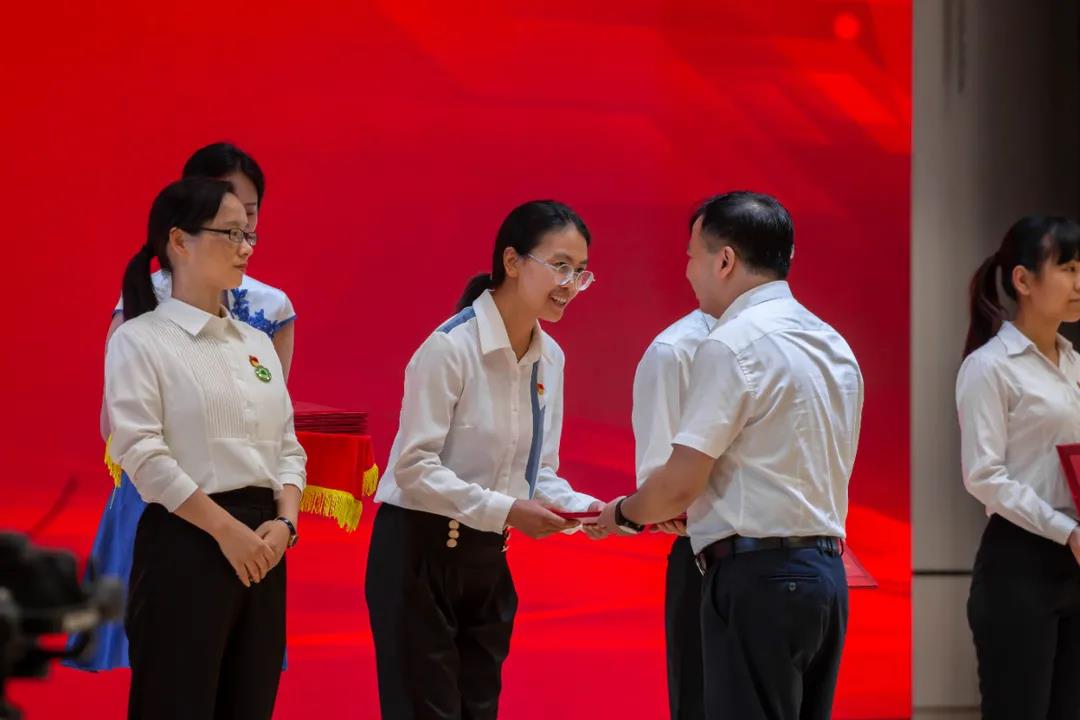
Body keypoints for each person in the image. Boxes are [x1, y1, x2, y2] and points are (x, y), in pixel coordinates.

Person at [599, 191, 863, 720]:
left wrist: (623, 515)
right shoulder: (832, 342)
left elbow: (678, 486)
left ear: (724, 261)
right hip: (828, 576)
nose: (688, 270)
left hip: (755, 577)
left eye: (692, 255)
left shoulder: (730, 343)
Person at [366, 200, 604, 720]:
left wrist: (597, 512)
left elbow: (539, 473)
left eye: (581, 272)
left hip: (488, 559)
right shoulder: (449, 348)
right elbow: (413, 467)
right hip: (418, 555)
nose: (570, 284)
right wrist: (508, 509)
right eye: (560, 266)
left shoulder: (552, 358)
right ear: (512, 261)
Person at [71, 143, 296, 672]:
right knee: (171, 663)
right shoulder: (144, 308)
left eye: (250, 217)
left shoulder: (270, 309)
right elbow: (122, 428)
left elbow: (276, 425)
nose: (243, 236)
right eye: (228, 220)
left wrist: (283, 523)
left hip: (257, 517)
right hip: (172, 498)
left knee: (244, 671)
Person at [957, 215, 1080, 719]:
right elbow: (984, 476)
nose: (1079, 283)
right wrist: (1066, 531)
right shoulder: (989, 367)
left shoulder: (1075, 364)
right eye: (1068, 269)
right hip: (1019, 565)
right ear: (1023, 280)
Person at [631, 306, 715, 720]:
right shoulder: (677, 349)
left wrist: (627, 513)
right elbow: (664, 491)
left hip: (804, 559)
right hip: (709, 554)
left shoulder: (805, 342)